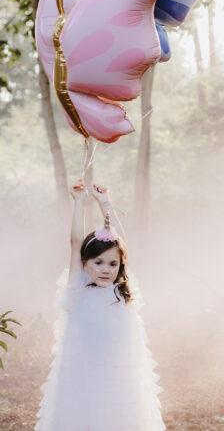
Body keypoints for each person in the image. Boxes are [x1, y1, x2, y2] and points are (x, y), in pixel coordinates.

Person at [35, 179, 165, 431]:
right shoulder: (78, 290)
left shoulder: (120, 292)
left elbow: (123, 243)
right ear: (84, 263)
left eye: (112, 264)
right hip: (83, 377)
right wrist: (80, 202)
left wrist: (105, 203)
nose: (106, 270)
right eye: (98, 262)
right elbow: (75, 242)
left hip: (119, 376)